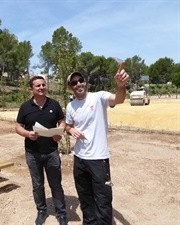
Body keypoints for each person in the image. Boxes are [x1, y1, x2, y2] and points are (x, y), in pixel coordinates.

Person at [65, 63, 129, 225]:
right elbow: (68, 125)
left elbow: (118, 99)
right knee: (85, 198)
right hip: (79, 159)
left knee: (102, 199)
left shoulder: (99, 97)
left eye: (80, 80)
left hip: (98, 159)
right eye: (74, 83)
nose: (78, 84)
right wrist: (70, 130)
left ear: (85, 82)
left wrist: (120, 86)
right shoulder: (70, 106)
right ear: (70, 87)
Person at [15, 75, 68, 225]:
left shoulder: (54, 104)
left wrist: (60, 132)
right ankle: (41, 211)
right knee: (37, 185)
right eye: (38, 86)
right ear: (31, 89)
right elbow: (18, 126)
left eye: (43, 85)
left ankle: (61, 213)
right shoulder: (25, 107)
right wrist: (27, 133)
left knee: (56, 184)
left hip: (51, 152)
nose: (42, 88)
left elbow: (62, 121)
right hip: (32, 153)